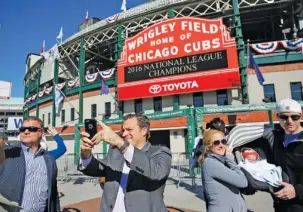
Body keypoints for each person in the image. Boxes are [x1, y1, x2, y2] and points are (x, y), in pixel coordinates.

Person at [78, 114, 172, 212]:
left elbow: (157, 172)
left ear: (144, 131)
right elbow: (98, 168)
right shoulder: (115, 152)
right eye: (123, 130)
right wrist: (86, 154)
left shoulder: (160, 152)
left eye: (129, 129)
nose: (124, 134)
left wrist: (119, 142)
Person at [0, 116, 60, 212]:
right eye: (22, 129)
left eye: (32, 129)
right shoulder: (7, 152)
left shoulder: (49, 159)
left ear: (41, 133)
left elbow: (53, 194)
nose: (26, 132)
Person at [263, 98, 303, 212]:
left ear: (301, 116)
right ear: (278, 117)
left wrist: (297, 191)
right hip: (282, 207)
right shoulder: (274, 139)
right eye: (284, 117)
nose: (289, 121)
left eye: (294, 117)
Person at [199, 129, 248, 212]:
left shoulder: (222, 161)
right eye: (216, 143)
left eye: (223, 141)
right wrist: (231, 160)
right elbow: (243, 182)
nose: (221, 145)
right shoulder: (211, 163)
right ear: (207, 147)